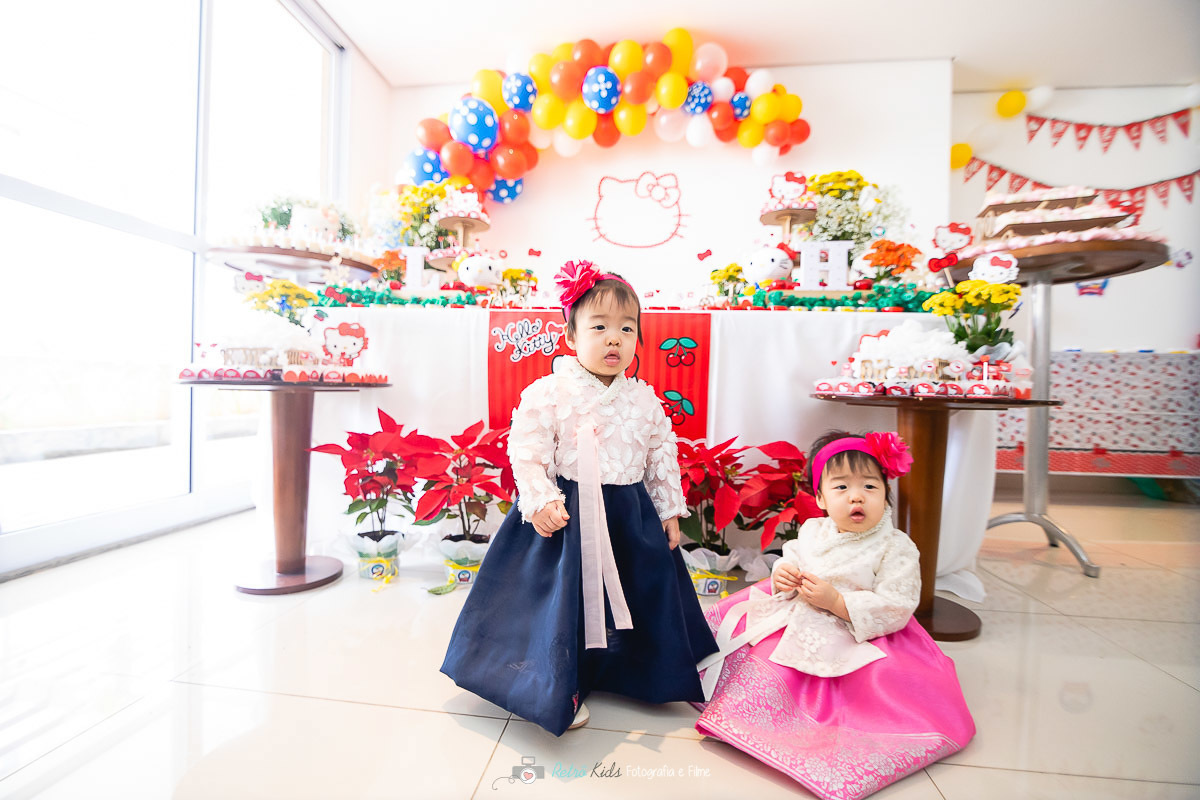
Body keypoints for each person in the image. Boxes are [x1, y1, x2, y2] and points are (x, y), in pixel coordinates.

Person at [441, 260, 718, 736]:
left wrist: (670, 508)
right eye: (600, 326)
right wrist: (540, 498)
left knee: (640, 590)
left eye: (627, 329)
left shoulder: (643, 399)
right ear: (570, 337)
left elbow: (661, 453)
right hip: (567, 515)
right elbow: (526, 451)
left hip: (629, 516)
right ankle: (553, 684)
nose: (615, 339)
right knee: (562, 602)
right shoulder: (549, 392)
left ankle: (636, 672)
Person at [694, 430, 975, 800]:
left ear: (885, 495)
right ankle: (748, 711)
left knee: (871, 676)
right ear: (822, 499)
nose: (856, 496)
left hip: (860, 627)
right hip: (800, 611)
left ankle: (813, 736)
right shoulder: (813, 529)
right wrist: (783, 575)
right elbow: (792, 557)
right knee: (758, 645)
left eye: (870, 487)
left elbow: (898, 602)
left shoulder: (895, 546)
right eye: (841, 488)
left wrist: (839, 604)